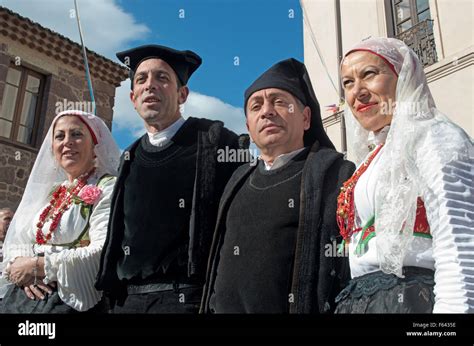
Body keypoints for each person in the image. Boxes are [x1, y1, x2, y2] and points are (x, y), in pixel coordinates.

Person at [95, 44, 249, 313]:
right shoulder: (129, 156)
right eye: (141, 79)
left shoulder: (216, 142)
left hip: (188, 300)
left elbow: (241, 224)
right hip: (126, 302)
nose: (150, 85)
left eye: (162, 78)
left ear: (182, 94)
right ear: (133, 98)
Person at [200, 58, 355, 313]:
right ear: (249, 126)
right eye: (256, 105)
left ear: (306, 118)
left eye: (279, 102)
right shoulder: (236, 181)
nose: (267, 111)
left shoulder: (337, 175)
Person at [335, 37, 474, 313]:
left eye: (369, 74)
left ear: (403, 77)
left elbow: (460, 244)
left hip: (414, 300)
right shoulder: (371, 159)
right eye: (348, 83)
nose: (357, 91)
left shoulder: (434, 136)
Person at [0, 110, 120, 313]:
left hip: (69, 300)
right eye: (60, 136)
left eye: (77, 134)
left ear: (94, 146)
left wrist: (39, 266)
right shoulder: (51, 193)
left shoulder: (107, 187)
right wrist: (20, 266)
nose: (67, 142)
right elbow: (19, 239)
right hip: (22, 298)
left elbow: (102, 251)